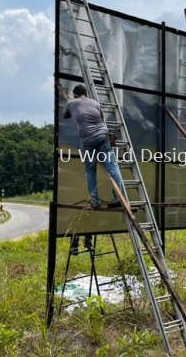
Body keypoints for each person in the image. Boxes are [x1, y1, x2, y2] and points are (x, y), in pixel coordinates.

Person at [63, 84, 125, 253]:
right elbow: (102, 119)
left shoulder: (71, 104)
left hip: (88, 141)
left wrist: (71, 103)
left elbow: (66, 116)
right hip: (103, 137)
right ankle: (117, 197)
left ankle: (95, 201)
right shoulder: (95, 103)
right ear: (86, 93)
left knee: (90, 170)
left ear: (76, 94)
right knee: (112, 168)